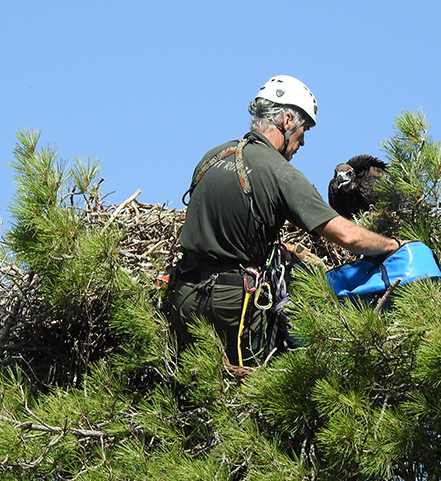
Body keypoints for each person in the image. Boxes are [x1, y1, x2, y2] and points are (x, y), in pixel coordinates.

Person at [169, 75, 401, 367]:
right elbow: (347, 236)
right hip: (232, 304)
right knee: (248, 396)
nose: (302, 141)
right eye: (304, 130)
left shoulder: (211, 158)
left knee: (194, 386)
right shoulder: (279, 171)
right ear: (288, 120)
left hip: (184, 294)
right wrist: (391, 244)